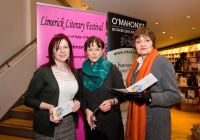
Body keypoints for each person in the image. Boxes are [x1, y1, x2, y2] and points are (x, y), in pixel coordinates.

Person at [125, 27, 181, 140]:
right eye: (138, 41)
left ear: (153, 43)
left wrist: (149, 97)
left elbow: (175, 95)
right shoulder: (136, 63)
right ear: (134, 46)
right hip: (138, 119)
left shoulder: (162, 62)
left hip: (157, 123)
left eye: (147, 40)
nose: (142, 44)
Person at [24, 33, 80, 139]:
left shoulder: (74, 72)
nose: (62, 51)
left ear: (70, 50)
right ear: (52, 52)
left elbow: (73, 95)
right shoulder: (43, 72)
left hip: (69, 123)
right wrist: (49, 107)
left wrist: (76, 101)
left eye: (65, 47)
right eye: (58, 48)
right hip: (48, 125)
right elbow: (28, 99)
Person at [78, 36, 126, 140]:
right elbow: (80, 98)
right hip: (92, 122)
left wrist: (112, 101)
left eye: (97, 49)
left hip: (112, 123)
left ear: (103, 50)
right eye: (90, 49)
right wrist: (86, 111)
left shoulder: (112, 70)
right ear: (85, 51)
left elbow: (124, 95)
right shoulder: (81, 73)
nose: (94, 53)